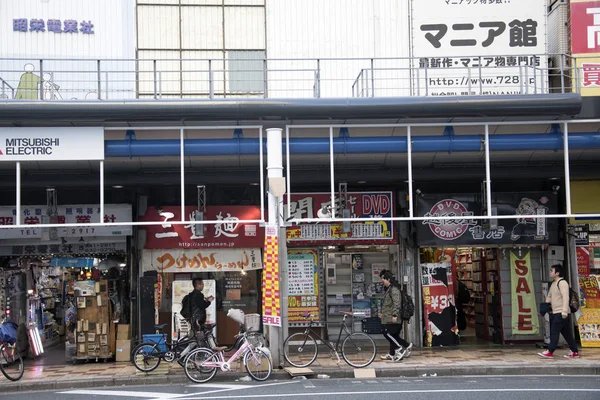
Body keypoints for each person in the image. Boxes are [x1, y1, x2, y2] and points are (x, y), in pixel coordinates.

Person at [538, 264, 580, 359]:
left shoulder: (562, 283)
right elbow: (549, 297)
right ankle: (574, 351)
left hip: (561, 312)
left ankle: (550, 351)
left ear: (557, 273)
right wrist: (544, 309)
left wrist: (564, 311)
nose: (550, 272)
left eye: (551, 271)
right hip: (555, 312)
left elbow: (566, 297)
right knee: (567, 333)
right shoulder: (553, 284)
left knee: (554, 331)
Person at [379, 270, 413, 361]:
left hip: (393, 317)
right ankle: (392, 353)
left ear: (388, 279)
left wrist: (394, 315)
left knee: (387, 333)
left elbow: (396, 303)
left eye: (384, 279)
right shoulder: (389, 289)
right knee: (393, 335)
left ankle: (399, 348)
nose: (383, 281)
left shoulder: (393, 289)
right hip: (388, 316)